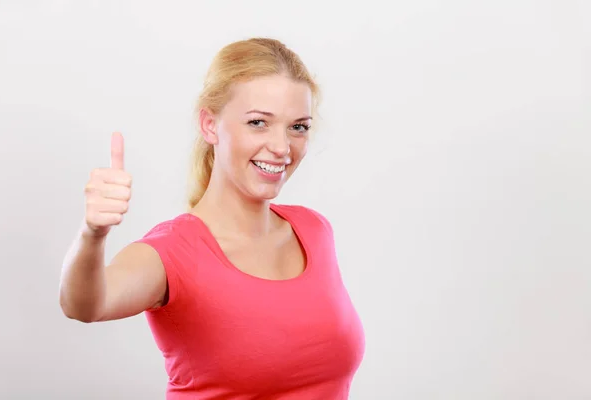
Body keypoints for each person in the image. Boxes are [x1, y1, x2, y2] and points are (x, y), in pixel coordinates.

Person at [59, 37, 365, 399]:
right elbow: (86, 305)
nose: (282, 147)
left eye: (298, 126)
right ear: (209, 125)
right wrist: (92, 234)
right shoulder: (174, 252)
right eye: (258, 123)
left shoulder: (314, 230)